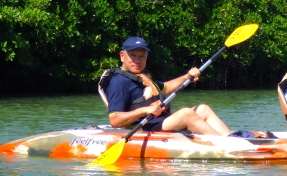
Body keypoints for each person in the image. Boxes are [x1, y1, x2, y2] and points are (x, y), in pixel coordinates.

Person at [99, 36, 231, 135]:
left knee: (203, 109)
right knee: (186, 113)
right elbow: (115, 120)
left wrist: (187, 77)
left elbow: (165, 88)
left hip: (161, 120)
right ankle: (224, 146)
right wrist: (145, 110)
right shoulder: (118, 82)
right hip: (145, 126)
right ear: (122, 56)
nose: (137, 60)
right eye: (133, 56)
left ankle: (231, 139)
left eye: (142, 56)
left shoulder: (143, 76)